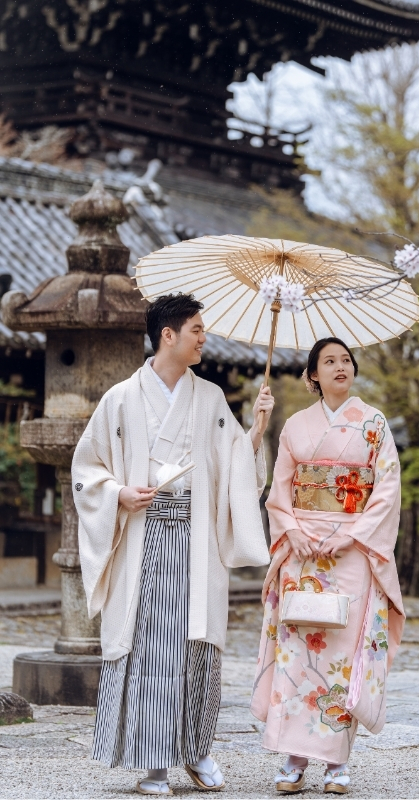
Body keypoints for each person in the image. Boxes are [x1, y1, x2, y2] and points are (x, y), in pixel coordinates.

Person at [73, 293, 275, 795]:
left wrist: (256, 433)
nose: (204, 338)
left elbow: (233, 467)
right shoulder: (120, 398)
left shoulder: (208, 399)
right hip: (141, 533)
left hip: (195, 535)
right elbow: (86, 468)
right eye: (197, 330)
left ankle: (198, 751)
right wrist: (119, 492)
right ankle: (154, 763)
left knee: (195, 645)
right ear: (169, 335)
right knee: (148, 646)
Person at [250, 337, 405, 795]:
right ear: (312, 376)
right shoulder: (295, 426)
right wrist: (293, 530)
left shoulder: (374, 423)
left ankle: (336, 762)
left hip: (352, 551)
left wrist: (351, 534)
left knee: (340, 651)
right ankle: (295, 758)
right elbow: (279, 492)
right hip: (301, 552)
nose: (341, 366)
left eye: (346, 360)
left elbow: (387, 489)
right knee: (298, 653)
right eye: (329, 361)